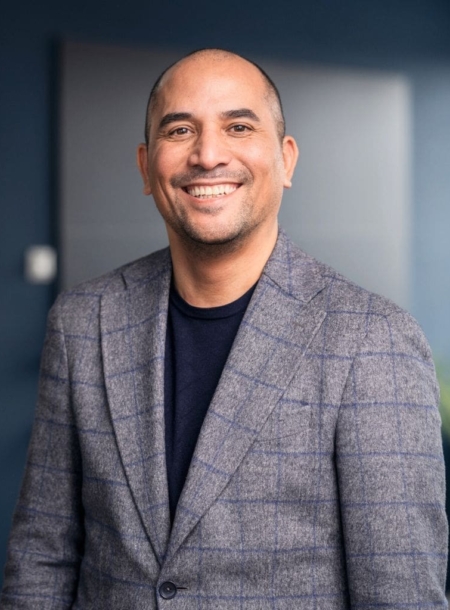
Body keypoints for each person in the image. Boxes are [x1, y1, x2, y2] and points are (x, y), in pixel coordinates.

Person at [1, 48, 447, 609]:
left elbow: (401, 596)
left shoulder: (374, 341)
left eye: (238, 127)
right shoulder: (82, 322)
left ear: (286, 160)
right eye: (179, 130)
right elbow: (42, 557)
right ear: (146, 166)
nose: (208, 155)